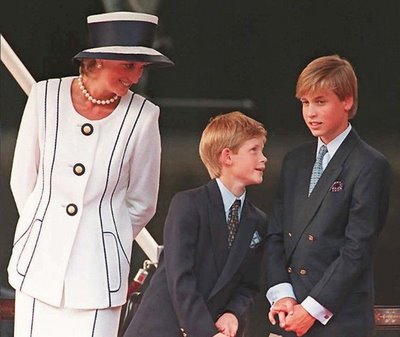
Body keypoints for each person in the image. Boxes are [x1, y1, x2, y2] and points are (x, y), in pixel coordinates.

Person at [7, 11, 174, 337]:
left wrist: (103, 239)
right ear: (97, 61)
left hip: (98, 278)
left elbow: (142, 202)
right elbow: (22, 179)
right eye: (129, 65)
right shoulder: (45, 97)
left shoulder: (144, 117)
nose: (136, 77)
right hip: (38, 265)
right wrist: (43, 228)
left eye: (141, 67)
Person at [265, 54, 391, 337]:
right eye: (305, 103)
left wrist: (310, 310)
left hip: (339, 320)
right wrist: (283, 295)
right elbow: (275, 235)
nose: (310, 113)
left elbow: (356, 249)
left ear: (346, 101)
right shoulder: (294, 161)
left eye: (320, 102)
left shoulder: (370, 165)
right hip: (288, 314)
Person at [123, 111, 268, 337]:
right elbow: (180, 277)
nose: (263, 158)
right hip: (164, 328)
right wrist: (204, 331)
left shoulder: (257, 220)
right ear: (227, 156)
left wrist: (232, 314)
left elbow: (248, 285)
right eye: (254, 150)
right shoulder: (188, 204)